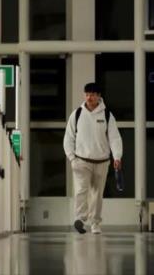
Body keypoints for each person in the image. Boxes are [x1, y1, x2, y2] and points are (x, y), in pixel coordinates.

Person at [62, 82, 123, 235]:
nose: (89, 97)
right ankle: (80, 220)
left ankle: (95, 223)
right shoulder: (77, 114)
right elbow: (68, 138)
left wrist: (117, 156)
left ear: (99, 96)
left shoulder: (107, 115)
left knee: (97, 195)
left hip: (102, 162)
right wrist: (72, 158)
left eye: (93, 94)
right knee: (80, 191)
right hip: (81, 161)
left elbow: (114, 138)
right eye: (87, 94)